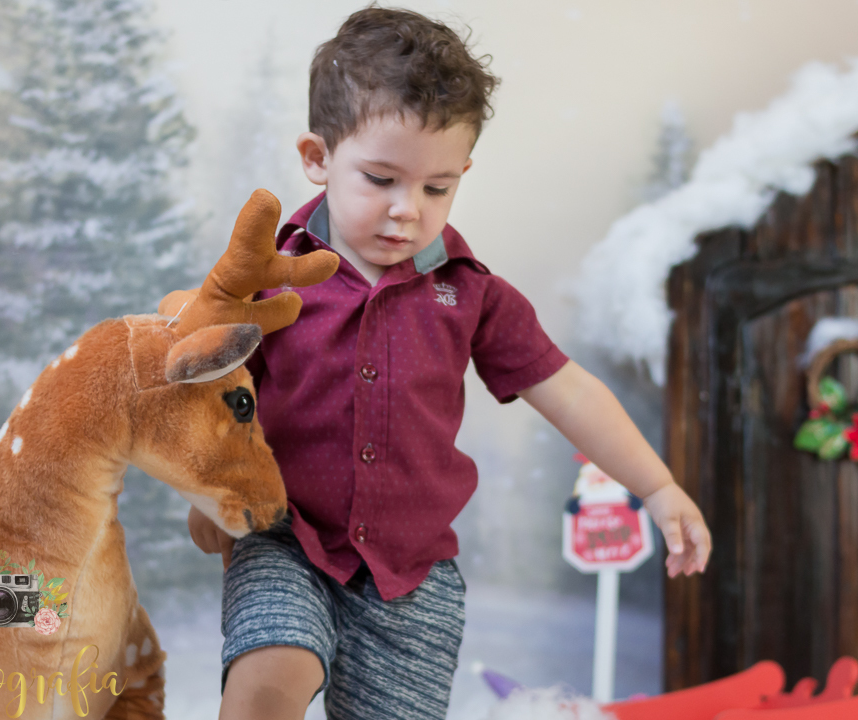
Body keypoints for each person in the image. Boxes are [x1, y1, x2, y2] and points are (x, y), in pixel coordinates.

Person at [187, 7, 711, 720]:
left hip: (413, 576)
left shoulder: (468, 293)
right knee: (270, 675)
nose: (408, 210)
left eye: (437, 188)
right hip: (286, 539)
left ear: (462, 172)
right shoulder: (269, 279)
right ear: (318, 157)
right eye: (380, 179)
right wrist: (204, 490)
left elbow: (569, 392)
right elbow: (204, 391)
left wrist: (657, 486)